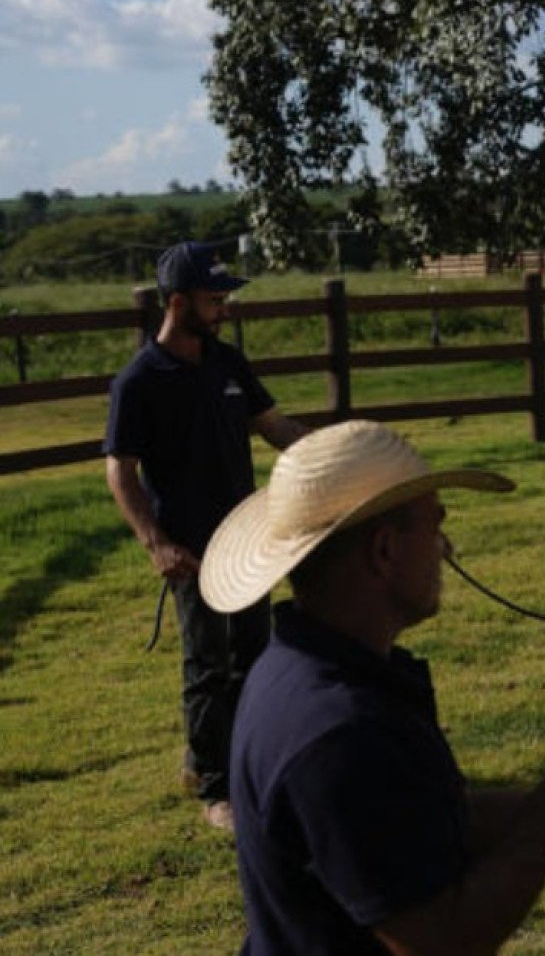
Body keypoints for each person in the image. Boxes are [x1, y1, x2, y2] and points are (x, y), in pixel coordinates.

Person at [201, 419, 545, 953]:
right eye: (434, 527)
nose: (446, 547)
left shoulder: (312, 669)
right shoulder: (338, 732)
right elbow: (441, 940)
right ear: (384, 551)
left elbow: (436, 827)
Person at [104, 240, 308, 830]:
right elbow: (120, 470)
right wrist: (156, 542)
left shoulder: (226, 363)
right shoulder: (139, 381)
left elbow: (273, 427)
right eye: (213, 298)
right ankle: (218, 793)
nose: (224, 308)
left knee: (255, 656)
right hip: (192, 549)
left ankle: (237, 766)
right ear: (176, 302)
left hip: (249, 537)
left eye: (224, 298)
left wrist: (337, 455)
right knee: (208, 664)